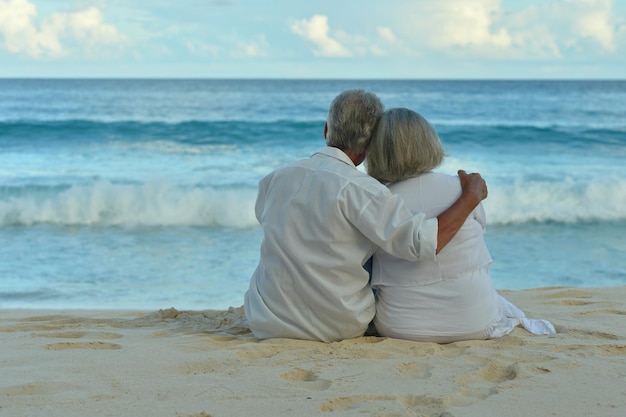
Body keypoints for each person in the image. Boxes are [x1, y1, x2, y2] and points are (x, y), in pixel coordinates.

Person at [244, 90, 488, 342]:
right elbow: (423, 243)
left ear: (327, 129)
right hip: (335, 327)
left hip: (266, 321)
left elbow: (267, 220)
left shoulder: (275, 179)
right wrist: (470, 196)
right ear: (372, 144)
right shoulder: (363, 190)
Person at [366, 108, 555, 343]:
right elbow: (478, 234)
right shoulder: (464, 189)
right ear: (430, 143)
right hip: (476, 321)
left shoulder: (375, 201)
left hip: (401, 326)